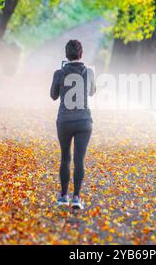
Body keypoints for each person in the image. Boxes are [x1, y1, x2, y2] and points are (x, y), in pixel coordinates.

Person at [50, 39, 96, 209]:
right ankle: (76, 197)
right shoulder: (89, 72)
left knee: (65, 158)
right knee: (79, 160)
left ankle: (63, 196)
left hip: (64, 121)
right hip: (84, 121)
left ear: (66, 55)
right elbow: (92, 92)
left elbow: (53, 95)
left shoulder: (59, 73)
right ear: (81, 54)